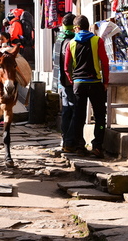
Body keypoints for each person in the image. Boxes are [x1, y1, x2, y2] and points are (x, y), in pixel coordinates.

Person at [64, 15, 109, 158]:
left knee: (79, 116)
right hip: (95, 83)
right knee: (100, 116)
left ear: (76, 28)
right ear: (88, 27)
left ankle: (79, 146)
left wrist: (72, 80)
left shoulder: (70, 43)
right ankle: (98, 145)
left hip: (79, 84)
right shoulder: (97, 40)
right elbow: (105, 62)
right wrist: (105, 81)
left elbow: (66, 67)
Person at [52, 13, 76, 153]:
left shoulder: (59, 39)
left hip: (61, 82)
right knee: (72, 111)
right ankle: (69, 141)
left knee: (66, 111)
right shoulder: (71, 41)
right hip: (70, 82)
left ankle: (64, 139)